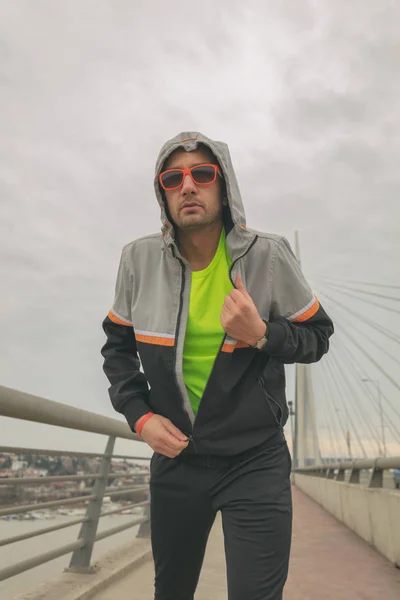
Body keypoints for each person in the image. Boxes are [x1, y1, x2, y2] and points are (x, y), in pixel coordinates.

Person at [101, 131, 334, 600]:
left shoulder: (268, 257)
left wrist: (263, 334)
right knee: (172, 592)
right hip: (177, 459)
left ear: (223, 187)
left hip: (256, 459)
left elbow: (318, 337)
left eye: (202, 175)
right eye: (173, 179)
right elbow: (116, 350)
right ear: (163, 194)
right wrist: (140, 417)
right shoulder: (137, 261)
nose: (188, 186)